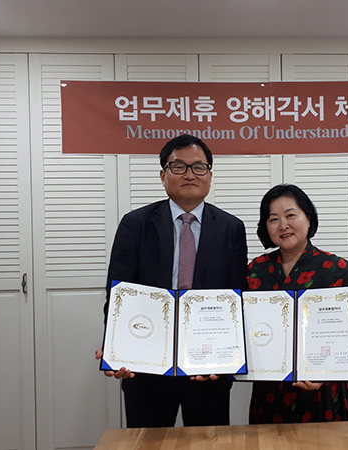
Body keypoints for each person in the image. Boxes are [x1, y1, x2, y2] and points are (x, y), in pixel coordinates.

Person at [95, 134, 248, 428]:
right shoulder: (135, 224)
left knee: (209, 444)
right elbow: (119, 294)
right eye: (179, 166)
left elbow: (236, 297)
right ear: (163, 175)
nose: (190, 174)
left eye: (199, 167)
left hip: (207, 367)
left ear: (210, 175)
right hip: (147, 364)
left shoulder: (231, 228)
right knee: (148, 443)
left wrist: (228, 358)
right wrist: (115, 345)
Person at [246, 184, 348, 424]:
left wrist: (327, 372)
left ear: (309, 219)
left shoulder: (337, 269)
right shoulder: (256, 270)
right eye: (273, 219)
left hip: (324, 392)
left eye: (291, 215)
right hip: (270, 392)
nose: (283, 225)